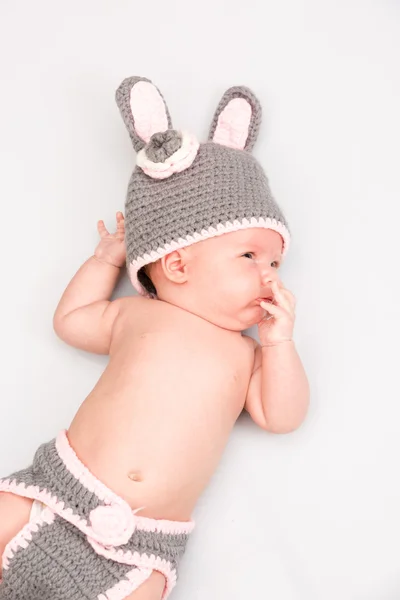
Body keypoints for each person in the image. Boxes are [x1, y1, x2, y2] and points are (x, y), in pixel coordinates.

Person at [0, 76, 310, 600]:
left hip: (145, 544)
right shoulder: (138, 316)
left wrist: (280, 344)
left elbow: (282, 416)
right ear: (177, 261)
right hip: (54, 491)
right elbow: (73, 319)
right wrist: (104, 260)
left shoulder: (249, 355)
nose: (270, 275)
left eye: (276, 262)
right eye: (250, 257)